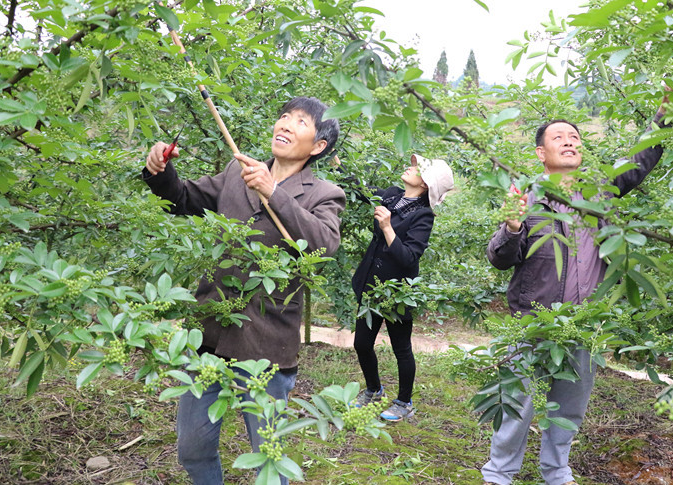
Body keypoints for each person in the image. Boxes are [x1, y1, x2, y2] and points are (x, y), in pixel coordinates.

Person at [142, 96, 345, 485]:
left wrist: (274, 193)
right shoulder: (238, 172)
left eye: (300, 122)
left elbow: (322, 245)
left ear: (318, 145)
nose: (285, 124)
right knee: (193, 447)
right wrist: (161, 171)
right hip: (210, 334)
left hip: (267, 347)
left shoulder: (325, 194)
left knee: (268, 457)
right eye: (283, 116)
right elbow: (182, 199)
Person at [481, 100, 670, 485]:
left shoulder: (599, 190)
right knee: (519, 400)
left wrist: (666, 113)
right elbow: (501, 259)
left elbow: (639, 160)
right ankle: (499, 474)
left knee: (570, 404)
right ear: (541, 153)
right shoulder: (526, 196)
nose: (569, 142)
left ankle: (556, 470)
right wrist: (513, 226)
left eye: (575, 137)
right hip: (532, 322)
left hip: (585, 323)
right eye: (558, 137)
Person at [348, 153, 454, 421]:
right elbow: (361, 189)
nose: (412, 167)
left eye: (419, 169)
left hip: (397, 292)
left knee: (401, 348)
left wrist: (386, 227)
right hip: (372, 286)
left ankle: (404, 402)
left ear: (426, 184)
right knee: (361, 344)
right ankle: (373, 389)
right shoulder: (392, 195)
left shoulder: (423, 215)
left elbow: (408, 257)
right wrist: (338, 162)